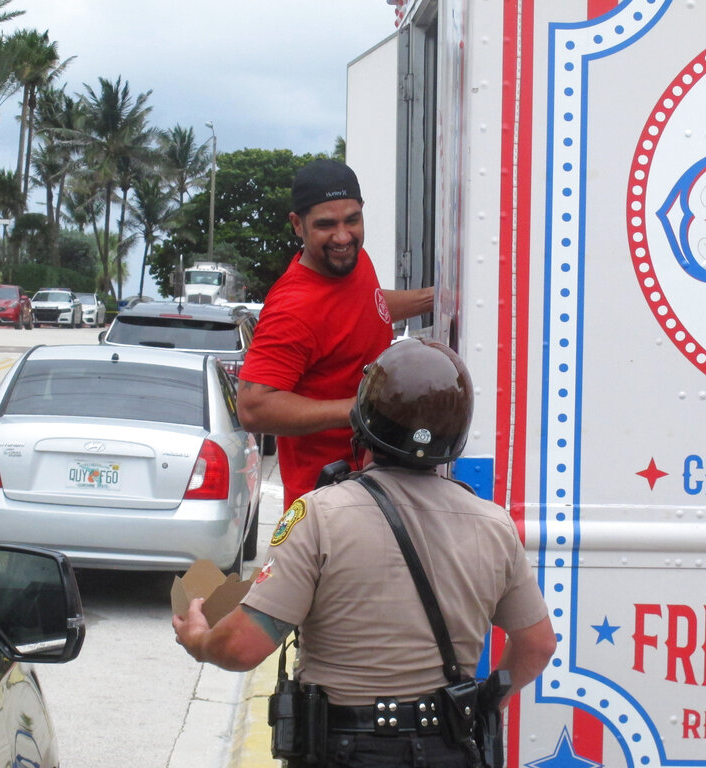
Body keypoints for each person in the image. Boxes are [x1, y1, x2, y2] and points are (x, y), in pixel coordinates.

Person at [175, 338, 556, 768]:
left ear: (363, 424)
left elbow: (243, 647)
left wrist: (201, 641)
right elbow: (538, 644)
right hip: (448, 748)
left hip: (344, 749)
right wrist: (486, 705)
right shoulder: (494, 526)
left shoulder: (319, 515)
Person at [237, 158, 433, 508]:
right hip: (327, 508)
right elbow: (253, 407)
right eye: (326, 225)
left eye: (352, 220)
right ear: (297, 225)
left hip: (376, 492)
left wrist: (434, 299)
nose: (343, 237)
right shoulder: (292, 307)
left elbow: (365, 306)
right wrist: (363, 409)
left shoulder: (353, 263)